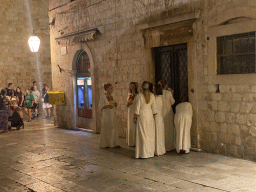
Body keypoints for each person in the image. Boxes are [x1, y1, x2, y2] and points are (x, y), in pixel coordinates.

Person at [134, 81, 156, 159]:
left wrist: (135, 117)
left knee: (142, 134)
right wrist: (153, 118)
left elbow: (137, 108)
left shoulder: (139, 96)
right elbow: (154, 109)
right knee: (149, 134)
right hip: (149, 115)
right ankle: (150, 152)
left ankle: (143, 153)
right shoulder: (152, 96)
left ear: (142, 87)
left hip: (142, 115)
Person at [98, 84, 120, 149]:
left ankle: (114, 143)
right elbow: (100, 106)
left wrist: (115, 104)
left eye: (112, 88)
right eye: (110, 88)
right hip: (107, 114)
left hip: (113, 113)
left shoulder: (114, 96)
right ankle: (106, 143)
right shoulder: (103, 97)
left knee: (113, 128)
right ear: (106, 89)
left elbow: (115, 103)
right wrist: (107, 106)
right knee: (107, 128)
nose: (112, 89)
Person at [159, 79, 175, 151]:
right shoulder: (168, 93)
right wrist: (172, 93)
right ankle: (169, 146)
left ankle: (162, 146)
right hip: (168, 112)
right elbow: (172, 102)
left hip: (161, 112)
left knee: (162, 129)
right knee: (169, 129)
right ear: (166, 85)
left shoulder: (158, 93)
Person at [153, 84, 166, 156]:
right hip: (160, 117)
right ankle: (160, 149)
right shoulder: (161, 97)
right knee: (160, 133)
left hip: (156, 117)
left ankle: (157, 150)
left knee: (157, 133)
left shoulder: (156, 98)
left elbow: (154, 108)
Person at [126, 82, 138, 147]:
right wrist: (129, 103)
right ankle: (131, 141)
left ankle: (136, 141)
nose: (132, 87)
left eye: (133, 86)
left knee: (135, 125)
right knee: (131, 125)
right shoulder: (129, 94)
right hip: (130, 110)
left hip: (135, 110)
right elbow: (127, 104)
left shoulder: (138, 94)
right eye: (130, 86)